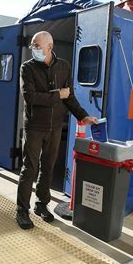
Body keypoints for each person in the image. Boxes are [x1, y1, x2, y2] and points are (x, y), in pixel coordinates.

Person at [16, 31, 98, 230]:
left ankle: (41, 205)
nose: (33, 49)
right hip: (35, 126)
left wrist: (83, 115)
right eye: (33, 46)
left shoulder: (64, 67)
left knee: (48, 168)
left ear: (50, 47)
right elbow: (31, 97)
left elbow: (68, 97)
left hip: (54, 127)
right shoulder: (27, 68)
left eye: (37, 46)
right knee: (29, 168)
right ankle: (22, 210)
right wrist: (57, 95)